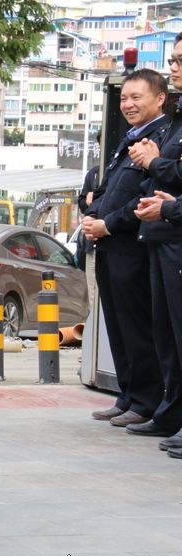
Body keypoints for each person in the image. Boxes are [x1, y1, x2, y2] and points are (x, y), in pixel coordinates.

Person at [83, 68, 170, 434]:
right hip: (108, 245)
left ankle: (146, 400)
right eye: (124, 98)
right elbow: (106, 187)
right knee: (117, 325)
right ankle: (129, 394)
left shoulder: (160, 141)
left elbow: (146, 197)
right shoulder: (130, 139)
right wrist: (92, 215)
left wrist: (109, 224)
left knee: (137, 326)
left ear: (160, 99)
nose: (128, 104)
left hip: (133, 248)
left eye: (137, 97)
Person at [128, 44, 182, 448]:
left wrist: (155, 163)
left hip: (174, 233)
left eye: (180, 60)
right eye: (173, 60)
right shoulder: (176, 121)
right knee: (167, 336)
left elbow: (169, 172)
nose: (174, 67)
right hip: (163, 234)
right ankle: (170, 414)